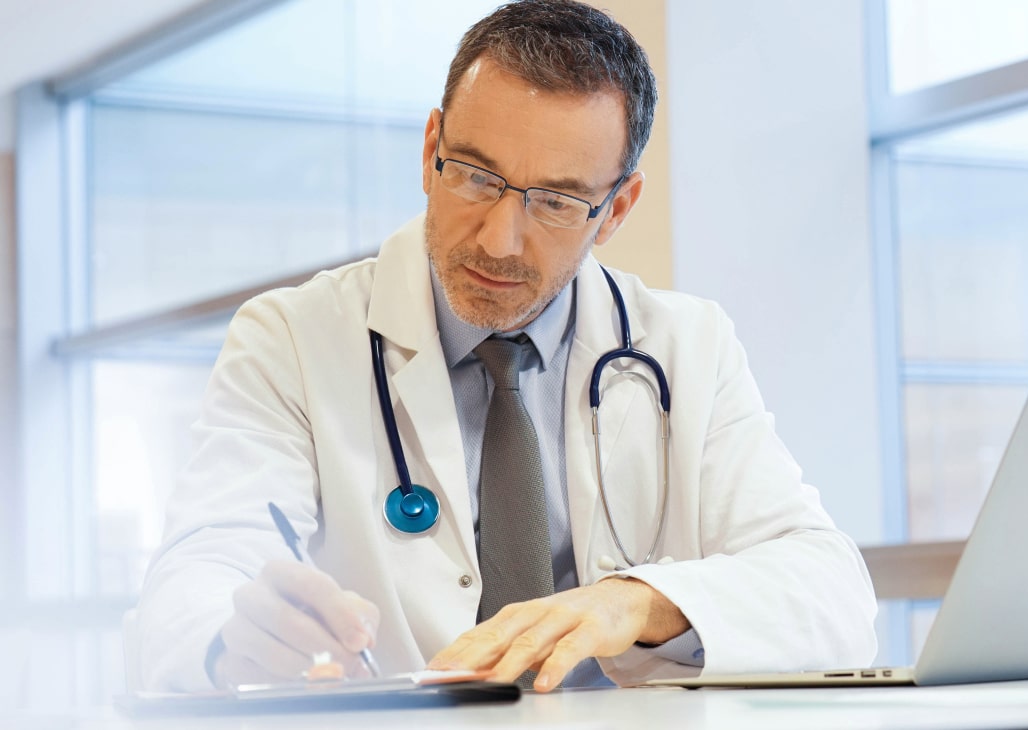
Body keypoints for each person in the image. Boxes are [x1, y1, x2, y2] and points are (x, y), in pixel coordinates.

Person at [136, 0, 877, 693]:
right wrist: (230, 639)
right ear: (432, 148)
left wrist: (638, 603)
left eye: (555, 202)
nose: (499, 239)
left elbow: (833, 597)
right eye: (476, 177)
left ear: (616, 209)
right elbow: (196, 574)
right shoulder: (294, 339)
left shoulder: (688, 347)